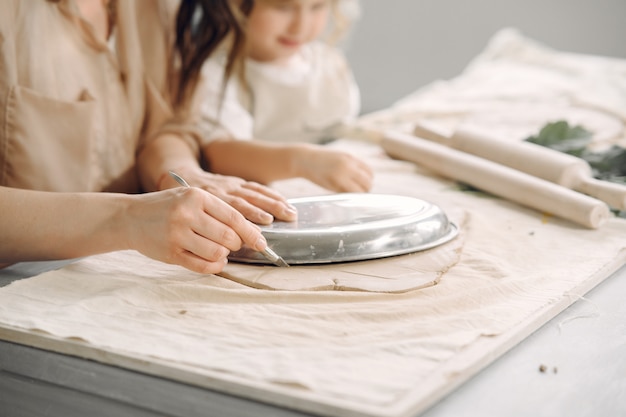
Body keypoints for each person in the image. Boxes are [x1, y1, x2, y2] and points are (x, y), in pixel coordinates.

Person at [0, 0, 297, 274]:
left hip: (108, 272)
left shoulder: (155, 8)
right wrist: (125, 220)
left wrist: (180, 175)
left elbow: (163, 127)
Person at [196, 0, 374, 193]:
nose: (301, 26)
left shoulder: (329, 64)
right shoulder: (215, 74)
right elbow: (220, 156)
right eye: (283, 7)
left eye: (317, 6)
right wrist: (302, 162)